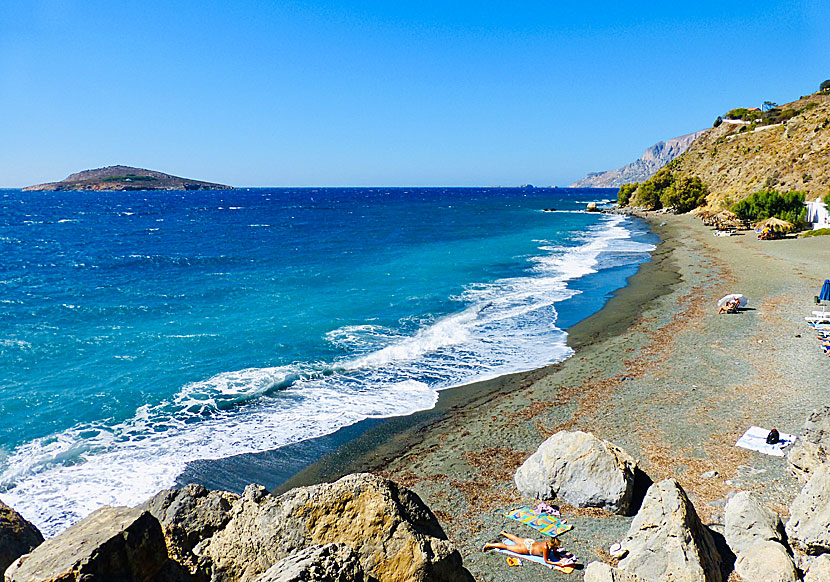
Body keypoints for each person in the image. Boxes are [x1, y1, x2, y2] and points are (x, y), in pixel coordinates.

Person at [483, 531, 572, 565]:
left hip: (530, 542)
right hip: (526, 549)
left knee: (516, 539)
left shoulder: (548, 542)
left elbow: (555, 553)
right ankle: (489, 545)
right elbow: (546, 561)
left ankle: (504, 533)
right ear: (553, 545)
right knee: (507, 547)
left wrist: (560, 557)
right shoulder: (546, 548)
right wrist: (558, 564)